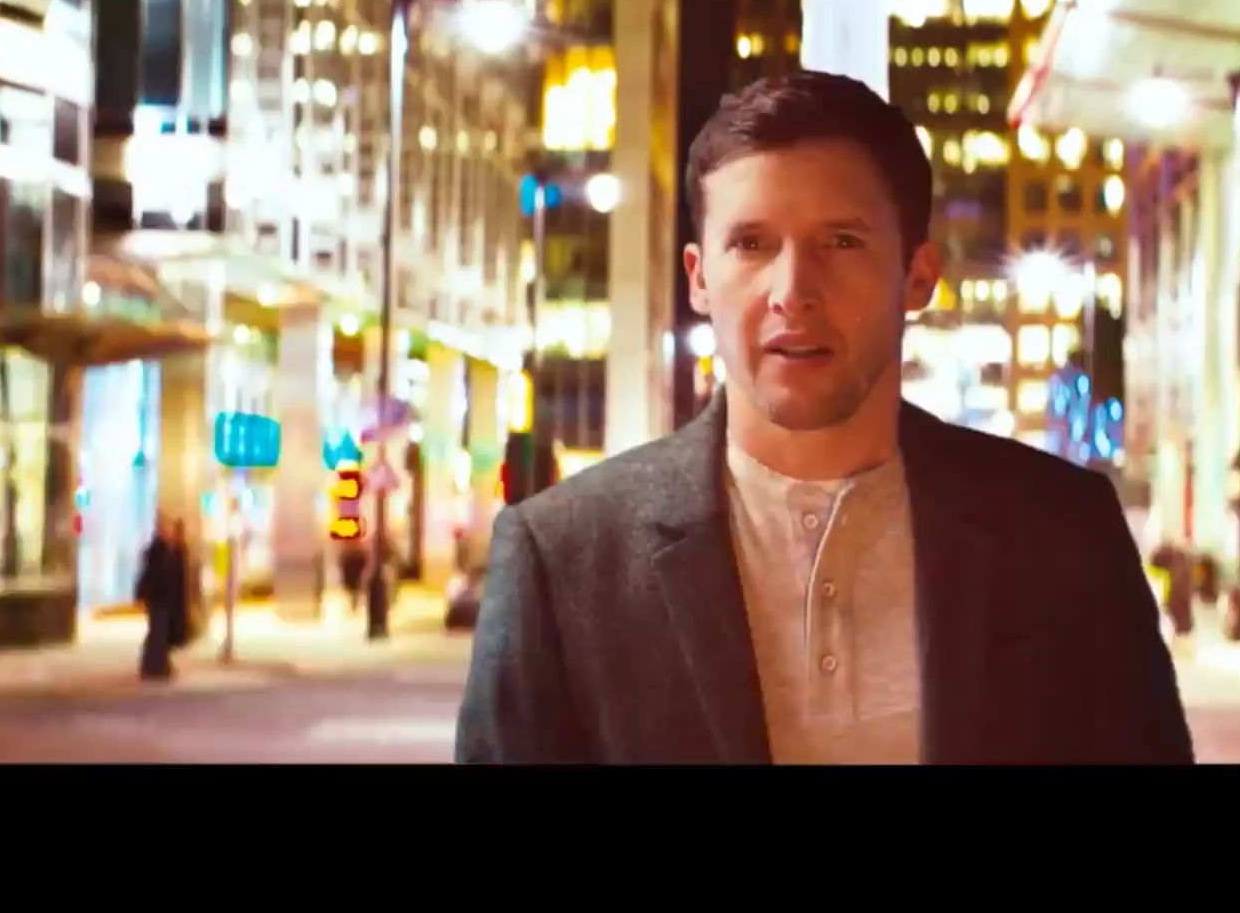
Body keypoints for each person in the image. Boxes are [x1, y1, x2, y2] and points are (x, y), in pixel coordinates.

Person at [456, 71, 1194, 765]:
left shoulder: (1063, 534)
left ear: (917, 275)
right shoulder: (563, 558)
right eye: (751, 244)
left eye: (841, 242)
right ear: (699, 278)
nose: (793, 290)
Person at [134, 514, 184, 680]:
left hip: (161, 599)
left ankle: (156, 665)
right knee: (158, 632)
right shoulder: (157, 551)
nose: (168, 532)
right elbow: (153, 576)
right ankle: (154, 666)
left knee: (159, 632)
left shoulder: (167, 549)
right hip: (158, 598)